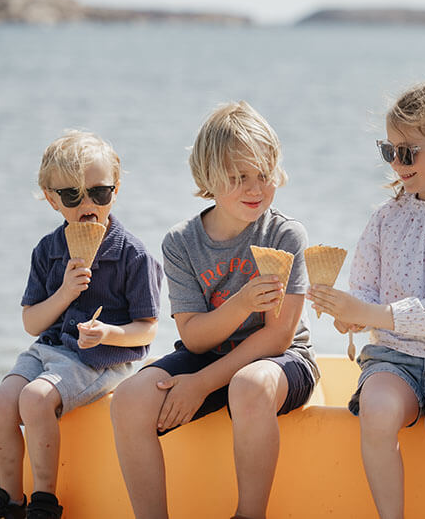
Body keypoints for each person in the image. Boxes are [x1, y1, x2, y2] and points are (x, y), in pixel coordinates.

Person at [110, 100, 319, 519]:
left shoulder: (285, 234)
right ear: (208, 177)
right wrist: (242, 303)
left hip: (280, 362)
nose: (255, 189)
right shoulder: (181, 242)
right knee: (128, 400)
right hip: (209, 354)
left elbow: (278, 336)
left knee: (249, 386)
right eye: (239, 177)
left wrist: (201, 384)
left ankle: (249, 514)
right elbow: (194, 337)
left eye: (264, 175)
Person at [307, 78, 425, 519]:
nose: (396, 162)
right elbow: (364, 291)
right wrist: (346, 315)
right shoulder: (384, 219)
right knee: (375, 413)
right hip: (393, 357)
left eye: (408, 152)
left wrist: (371, 312)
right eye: (388, 150)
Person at [0, 131, 162, 519]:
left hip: (104, 360)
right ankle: (10, 498)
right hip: (48, 348)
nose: (88, 205)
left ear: (116, 189)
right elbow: (31, 322)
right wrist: (63, 293)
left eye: (99, 193)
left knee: (35, 399)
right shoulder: (48, 250)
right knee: (1, 403)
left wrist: (108, 333)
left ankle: (44, 499)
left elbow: (147, 328)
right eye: (72, 196)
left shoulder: (133, 254)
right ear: (51, 197)